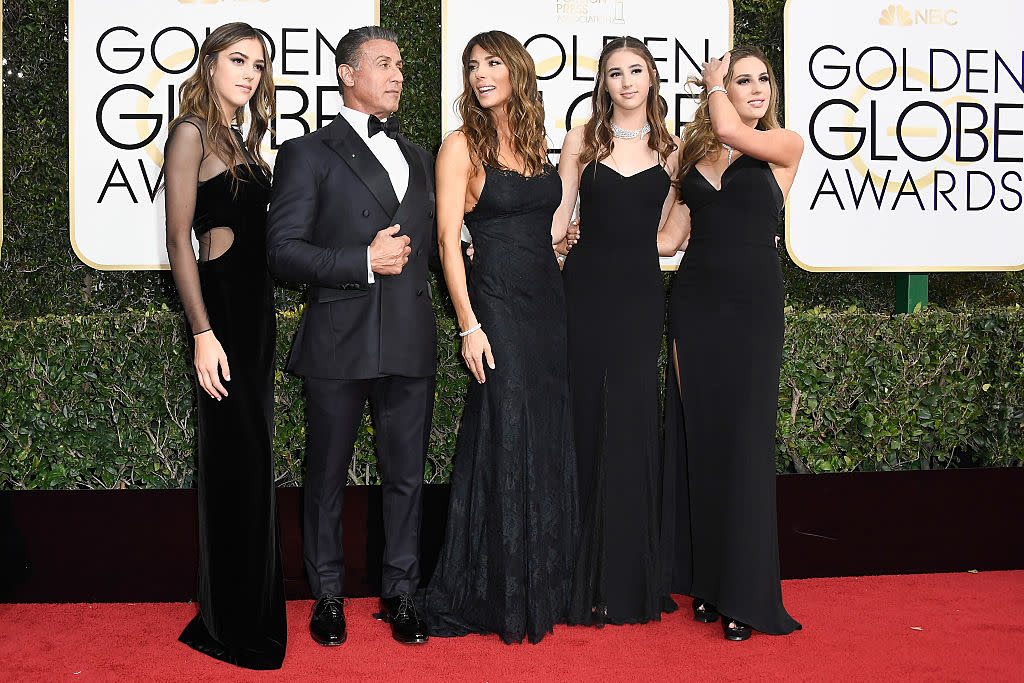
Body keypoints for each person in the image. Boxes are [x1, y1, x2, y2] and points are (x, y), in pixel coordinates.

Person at [265, 26, 437, 646]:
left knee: (407, 477)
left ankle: (402, 594)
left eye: (400, 65)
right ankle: (328, 596)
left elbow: (443, 246)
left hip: (411, 337)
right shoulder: (307, 152)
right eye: (384, 64)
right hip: (339, 336)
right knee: (327, 476)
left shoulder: (421, 155)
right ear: (346, 72)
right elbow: (281, 252)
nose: (396, 75)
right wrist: (361, 260)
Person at [422, 29, 578, 644]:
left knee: (543, 432)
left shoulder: (538, 142)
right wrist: (468, 323)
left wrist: (559, 249)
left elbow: (541, 223)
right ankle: (497, 592)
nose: (480, 73)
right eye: (472, 65)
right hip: (497, 308)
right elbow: (445, 240)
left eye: (491, 62)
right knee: (506, 432)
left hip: (548, 303)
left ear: (516, 69)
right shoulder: (461, 145)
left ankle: (544, 586)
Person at [658, 46, 804, 641]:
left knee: (744, 445)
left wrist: (714, 86)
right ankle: (706, 581)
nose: (754, 88)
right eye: (740, 80)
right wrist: (591, 244)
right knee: (702, 440)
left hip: (751, 314)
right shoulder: (694, 156)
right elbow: (667, 240)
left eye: (761, 79)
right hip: (693, 309)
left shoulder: (785, 146)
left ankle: (745, 594)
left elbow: (727, 126)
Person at [163, 22, 286, 669]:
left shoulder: (242, 137)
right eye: (238, 59)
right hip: (226, 320)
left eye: (259, 64)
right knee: (234, 462)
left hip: (256, 316)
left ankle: (239, 606)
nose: (249, 72)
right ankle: (232, 620)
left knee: (251, 461)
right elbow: (178, 239)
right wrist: (203, 333)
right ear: (210, 64)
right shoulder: (190, 133)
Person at [552, 36, 681, 626]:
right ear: (601, 82)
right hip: (584, 290)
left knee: (630, 421)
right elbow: (558, 218)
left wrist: (631, 247)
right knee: (581, 415)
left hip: (638, 293)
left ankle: (626, 580)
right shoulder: (582, 139)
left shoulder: (675, 150)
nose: (626, 81)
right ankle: (575, 575)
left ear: (653, 78)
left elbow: (671, 238)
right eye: (614, 73)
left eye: (636, 71)